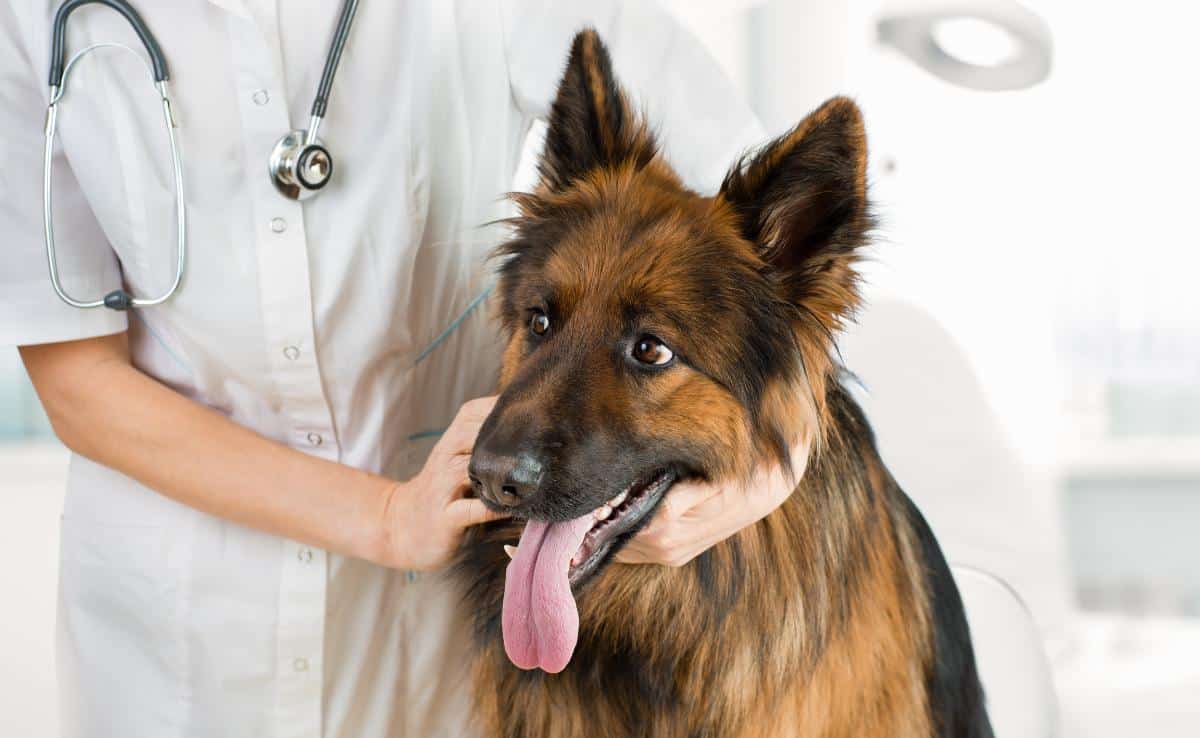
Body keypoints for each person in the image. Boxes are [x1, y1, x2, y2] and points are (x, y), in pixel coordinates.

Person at [1, 1, 805, 736]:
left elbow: (783, 258)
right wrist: (384, 518)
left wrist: (765, 472)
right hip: (176, 611)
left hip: (448, 617)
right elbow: (78, 381)